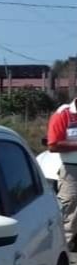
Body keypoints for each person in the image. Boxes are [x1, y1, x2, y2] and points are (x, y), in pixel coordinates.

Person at [47, 97, 77, 250]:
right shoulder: (63, 114)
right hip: (72, 169)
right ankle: (62, 247)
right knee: (70, 206)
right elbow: (53, 144)